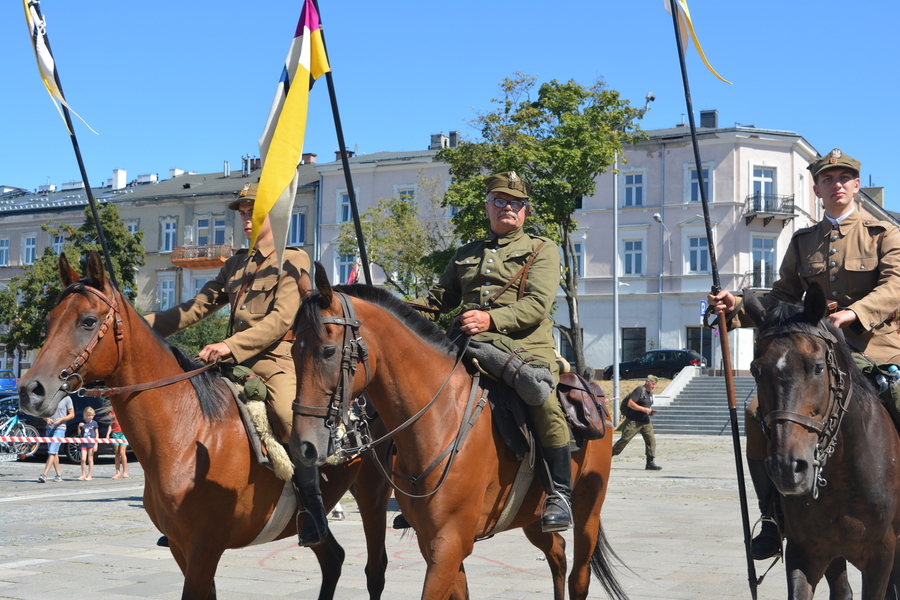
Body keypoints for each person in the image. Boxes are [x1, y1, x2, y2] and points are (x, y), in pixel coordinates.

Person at [708, 148, 900, 560]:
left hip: (873, 349)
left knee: (898, 399)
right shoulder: (803, 241)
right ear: (817, 189)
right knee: (757, 411)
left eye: (845, 177)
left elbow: (894, 286)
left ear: (857, 184)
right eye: (829, 179)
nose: (838, 185)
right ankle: (774, 515)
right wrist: (737, 306)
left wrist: (853, 313)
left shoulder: (884, 233)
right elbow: (782, 297)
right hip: (811, 357)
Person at [144, 182, 328, 547]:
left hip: (276, 359)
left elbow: (279, 320)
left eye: (253, 211)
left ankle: (312, 510)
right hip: (229, 362)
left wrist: (228, 345)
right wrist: (137, 326)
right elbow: (194, 309)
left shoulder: (294, 260)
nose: (246, 218)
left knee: (294, 422)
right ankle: (188, 510)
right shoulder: (235, 263)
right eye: (243, 212)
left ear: (273, 215)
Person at [412, 171, 573, 532]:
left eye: (516, 203)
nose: (508, 208)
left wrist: (489, 319)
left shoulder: (541, 249)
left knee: (542, 398)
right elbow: (438, 301)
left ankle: (559, 494)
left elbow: (537, 304)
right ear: (488, 208)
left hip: (525, 347)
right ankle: (418, 488)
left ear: (525, 212)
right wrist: (390, 307)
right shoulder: (467, 253)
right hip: (466, 345)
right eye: (500, 201)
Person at [612, 376, 662, 470]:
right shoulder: (639, 390)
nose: (654, 386)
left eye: (655, 384)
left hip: (645, 421)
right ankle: (608, 456)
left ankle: (650, 463)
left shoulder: (649, 393)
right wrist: (644, 409)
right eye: (653, 384)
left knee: (651, 441)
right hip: (634, 421)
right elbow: (630, 403)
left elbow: (646, 406)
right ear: (647, 382)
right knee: (624, 440)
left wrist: (650, 411)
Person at [38, 393, 74, 483]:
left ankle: (44, 474)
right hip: (49, 428)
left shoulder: (67, 398)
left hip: (60, 428)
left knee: (52, 452)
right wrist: (47, 419)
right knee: (54, 453)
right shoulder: (49, 397)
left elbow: (72, 414)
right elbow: (41, 413)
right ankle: (59, 475)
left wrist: (61, 419)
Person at [77, 407, 99, 481]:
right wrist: (79, 427)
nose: (90, 417)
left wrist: (96, 444)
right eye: (89, 415)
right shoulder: (83, 423)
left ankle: (90, 475)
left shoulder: (94, 423)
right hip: (84, 443)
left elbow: (96, 434)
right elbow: (79, 433)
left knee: (90, 459)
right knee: (83, 459)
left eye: (92, 415)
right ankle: (83, 474)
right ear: (85, 415)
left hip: (91, 444)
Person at [107, 409, 129, 479]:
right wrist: (108, 434)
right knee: (117, 453)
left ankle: (125, 472)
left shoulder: (123, 411)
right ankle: (117, 472)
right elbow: (111, 424)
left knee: (122, 452)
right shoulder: (112, 413)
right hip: (115, 433)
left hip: (123, 433)